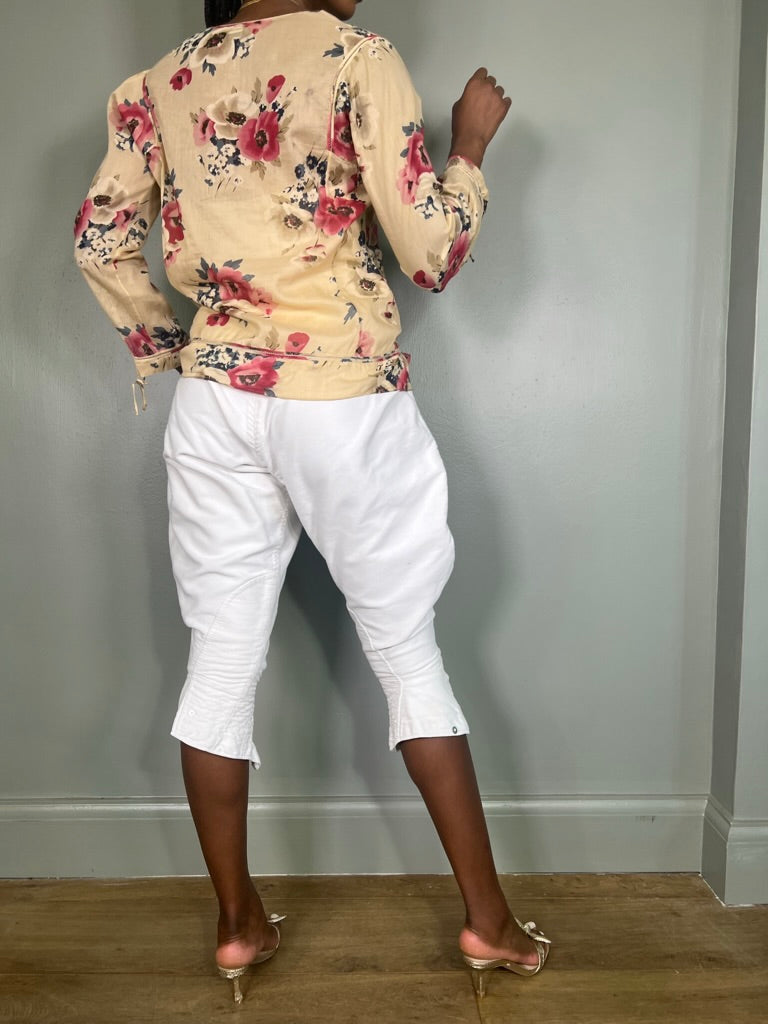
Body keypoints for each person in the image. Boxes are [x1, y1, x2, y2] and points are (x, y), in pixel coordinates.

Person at [73, 0, 552, 1005]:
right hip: (339, 398)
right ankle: (489, 923)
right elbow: (429, 255)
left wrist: (178, 351)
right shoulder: (356, 58)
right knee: (405, 649)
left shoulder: (160, 82)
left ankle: (238, 926)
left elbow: (102, 239)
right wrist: (468, 150)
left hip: (215, 401)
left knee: (219, 660)